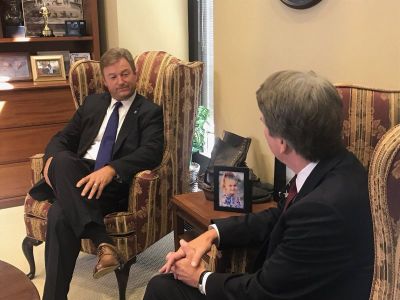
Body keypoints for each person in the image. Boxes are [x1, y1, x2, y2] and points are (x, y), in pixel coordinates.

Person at [143, 70, 374, 300]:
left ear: (282, 142)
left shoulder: (322, 208)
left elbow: (264, 292)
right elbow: (281, 215)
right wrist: (213, 233)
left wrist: (201, 278)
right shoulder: (340, 163)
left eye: (263, 122)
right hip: (294, 282)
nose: (262, 128)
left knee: (162, 289)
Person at [29, 47, 164, 300]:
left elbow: (151, 152)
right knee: (62, 160)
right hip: (78, 174)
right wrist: (50, 162)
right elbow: (62, 138)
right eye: (113, 76)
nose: (120, 81)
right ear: (105, 80)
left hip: (112, 184)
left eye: (125, 74)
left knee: (60, 211)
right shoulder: (92, 104)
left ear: (135, 75)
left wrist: (111, 169)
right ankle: (104, 242)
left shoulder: (149, 111)